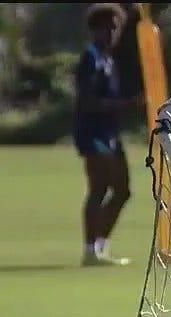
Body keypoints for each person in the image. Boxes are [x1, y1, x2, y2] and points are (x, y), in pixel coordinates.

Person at [75, 3, 142, 267]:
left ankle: (99, 245)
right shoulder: (91, 57)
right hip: (93, 132)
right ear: (96, 29)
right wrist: (128, 104)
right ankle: (90, 250)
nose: (114, 33)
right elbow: (89, 102)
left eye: (117, 28)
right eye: (110, 28)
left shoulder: (108, 59)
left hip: (110, 132)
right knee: (99, 189)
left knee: (123, 190)